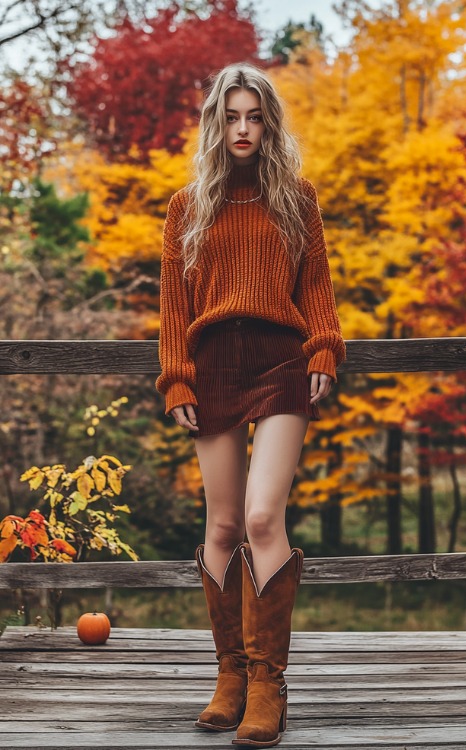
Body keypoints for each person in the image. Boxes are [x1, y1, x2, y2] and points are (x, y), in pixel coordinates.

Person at [155, 62, 346, 748]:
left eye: (255, 116)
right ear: (216, 122)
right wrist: (176, 377)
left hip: (279, 360)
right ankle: (229, 675)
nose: (243, 128)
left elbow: (317, 288)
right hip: (212, 368)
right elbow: (174, 306)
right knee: (223, 524)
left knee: (265, 517)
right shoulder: (188, 206)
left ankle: (269, 683)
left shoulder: (298, 197)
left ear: (270, 124)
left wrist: (324, 346)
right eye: (231, 116)